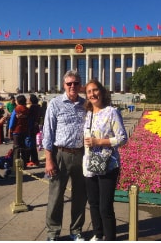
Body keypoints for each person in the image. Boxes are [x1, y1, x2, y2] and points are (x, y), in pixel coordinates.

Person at [43, 71, 88, 241]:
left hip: (81, 155)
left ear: (80, 85)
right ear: (64, 85)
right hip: (60, 154)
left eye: (76, 83)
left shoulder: (85, 104)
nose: (72, 86)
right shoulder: (55, 104)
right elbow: (48, 133)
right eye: (69, 83)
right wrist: (48, 159)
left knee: (80, 196)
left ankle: (76, 230)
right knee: (55, 196)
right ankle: (53, 232)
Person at [83, 79, 128, 241]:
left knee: (105, 207)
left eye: (95, 90)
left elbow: (123, 138)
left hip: (108, 164)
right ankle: (98, 234)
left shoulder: (111, 112)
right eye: (89, 92)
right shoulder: (88, 114)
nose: (92, 94)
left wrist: (99, 142)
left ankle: (109, 238)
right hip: (90, 164)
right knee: (93, 204)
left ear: (101, 92)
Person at [9, 95, 30, 167]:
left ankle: (15, 165)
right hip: (25, 130)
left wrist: (10, 130)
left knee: (16, 148)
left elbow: (12, 121)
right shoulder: (27, 110)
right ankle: (24, 164)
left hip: (16, 131)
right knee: (24, 147)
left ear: (18, 101)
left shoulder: (16, 109)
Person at [26, 94, 41, 167]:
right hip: (35, 127)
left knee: (30, 144)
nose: (27, 99)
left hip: (31, 127)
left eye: (29, 98)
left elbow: (28, 116)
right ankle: (35, 160)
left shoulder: (32, 107)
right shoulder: (38, 107)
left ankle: (34, 160)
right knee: (33, 144)